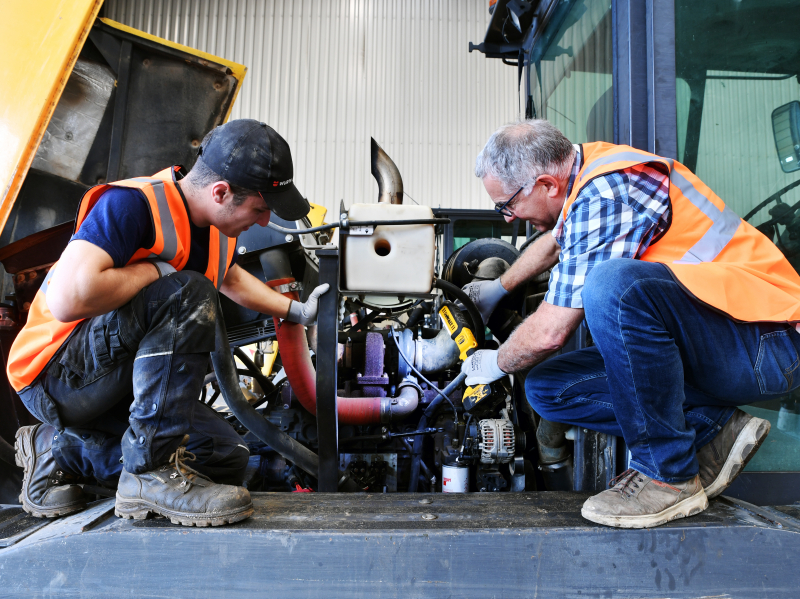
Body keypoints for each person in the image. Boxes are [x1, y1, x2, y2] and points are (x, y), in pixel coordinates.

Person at [459, 119, 800, 528]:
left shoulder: (608, 190)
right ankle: (715, 429)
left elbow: (550, 332)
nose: (509, 219)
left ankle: (667, 477)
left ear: (547, 184)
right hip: (726, 340)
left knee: (610, 285)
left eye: (507, 205)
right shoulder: (585, 174)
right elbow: (555, 242)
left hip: (768, 341)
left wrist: (494, 362)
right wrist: (499, 287)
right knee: (549, 388)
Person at [9, 119, 329, 526]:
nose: (264, 221)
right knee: (189, 292)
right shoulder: (134, 204)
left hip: (114, 381)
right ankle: (148, 473)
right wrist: (153, 273)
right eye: (260, 208)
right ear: (221, 192)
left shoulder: (216, 227)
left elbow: (228, 276)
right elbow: (69, 298)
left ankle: (59, 449)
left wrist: (296, 312)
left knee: (225, 456)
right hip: (55, 374)